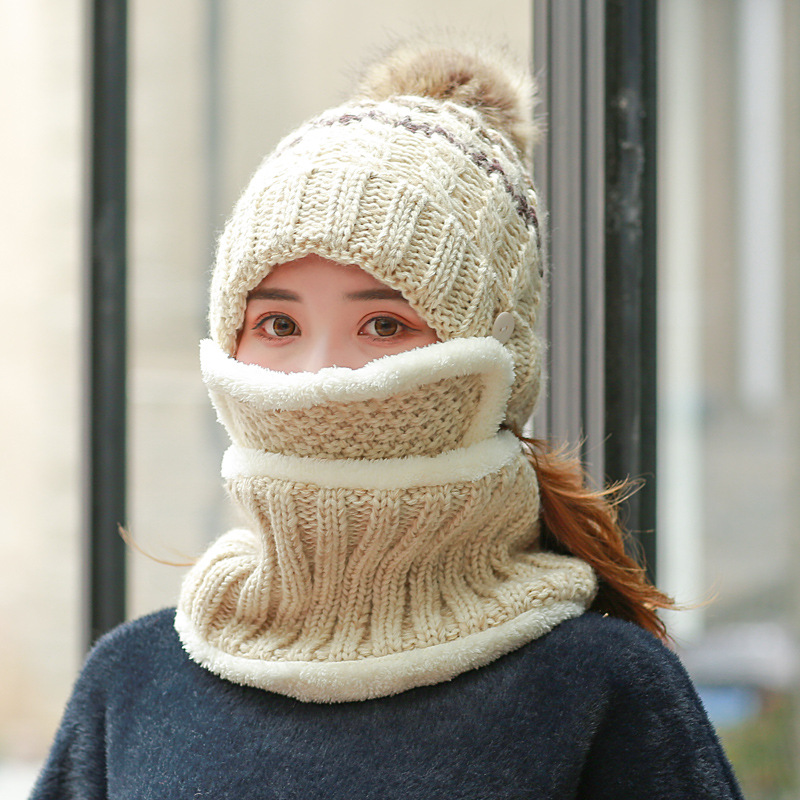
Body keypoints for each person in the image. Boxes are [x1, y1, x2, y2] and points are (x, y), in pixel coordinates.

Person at [31, 39, 743, 799]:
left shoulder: (600, 689)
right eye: (277, 326)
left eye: (383, 327)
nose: (318, 377)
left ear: (492, 364)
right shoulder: (132, 685)